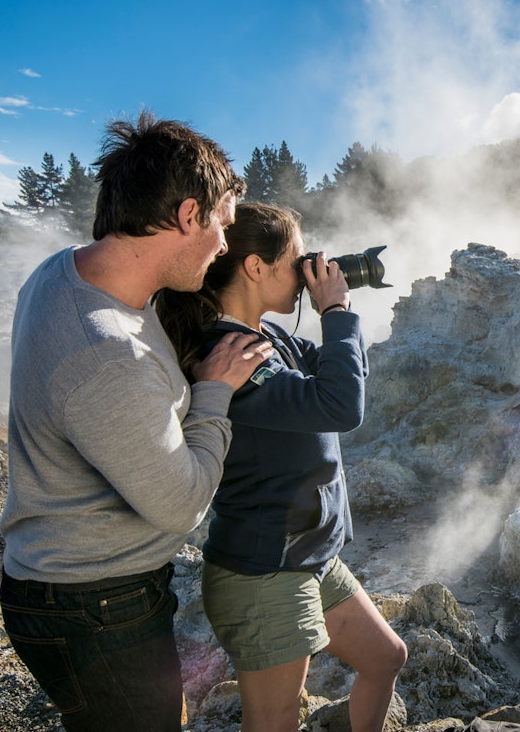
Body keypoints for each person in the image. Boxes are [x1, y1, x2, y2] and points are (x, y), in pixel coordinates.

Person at [0, 111, 275, 732]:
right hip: (93, 605)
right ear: (186, 215)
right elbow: (180, 507)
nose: (227, 246)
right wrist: (212, 393)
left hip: (66, 588)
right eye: (222, 226)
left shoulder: (64, 268)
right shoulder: (107, 356)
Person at [155, 201, 406, 732]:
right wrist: (335, 312)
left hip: (309, 555)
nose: (304, 271)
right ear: (255, 267)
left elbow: (345, 377)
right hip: (266, 571)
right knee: (273, 725)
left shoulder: (273, 339)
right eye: (295, 260)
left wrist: (335, 312)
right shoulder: (232, 355)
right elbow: (342, 407)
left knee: (386, 658)